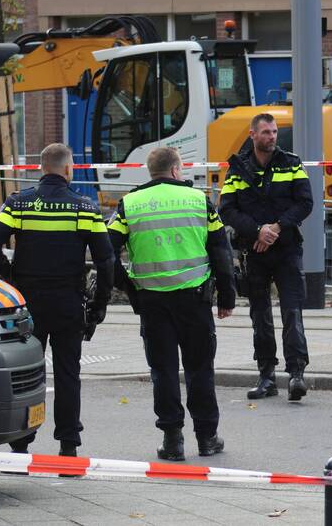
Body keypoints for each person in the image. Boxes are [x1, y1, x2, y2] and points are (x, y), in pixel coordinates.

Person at [0, 143, 114, 459]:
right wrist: (99, 304)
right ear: (68, 170)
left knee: (27, 372)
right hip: (68, 302)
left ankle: (21, 442)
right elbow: (106, 261)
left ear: (42, 168)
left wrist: (10, 275)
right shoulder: (84, 207)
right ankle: (68, 445)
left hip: (29, 303)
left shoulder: (19, 203)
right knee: (68, 373)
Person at [108, 146, 236, 461]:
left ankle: (173, 441)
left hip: (152, 302)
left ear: (150, 171)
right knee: (200, 369)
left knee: (163, 370)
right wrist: (227, 296)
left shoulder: (130, 204)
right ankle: (207, 438)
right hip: (194, 300)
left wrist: (130, 288)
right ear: (177, 169)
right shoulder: (199, 200)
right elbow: (221, 250)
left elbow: (105, 252)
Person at [219, 113, 313, 402]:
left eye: (274, 132)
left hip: (286, 250)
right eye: (266, 132)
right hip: (254, 253)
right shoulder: (236, 170)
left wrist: (276, 227)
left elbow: (305, 202)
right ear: (253, 135)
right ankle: (266, 376)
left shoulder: (292, 163)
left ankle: (296, 375)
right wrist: (258, 231)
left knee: (292, 313)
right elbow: (226, 209)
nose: (272, 137)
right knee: (260, 316)